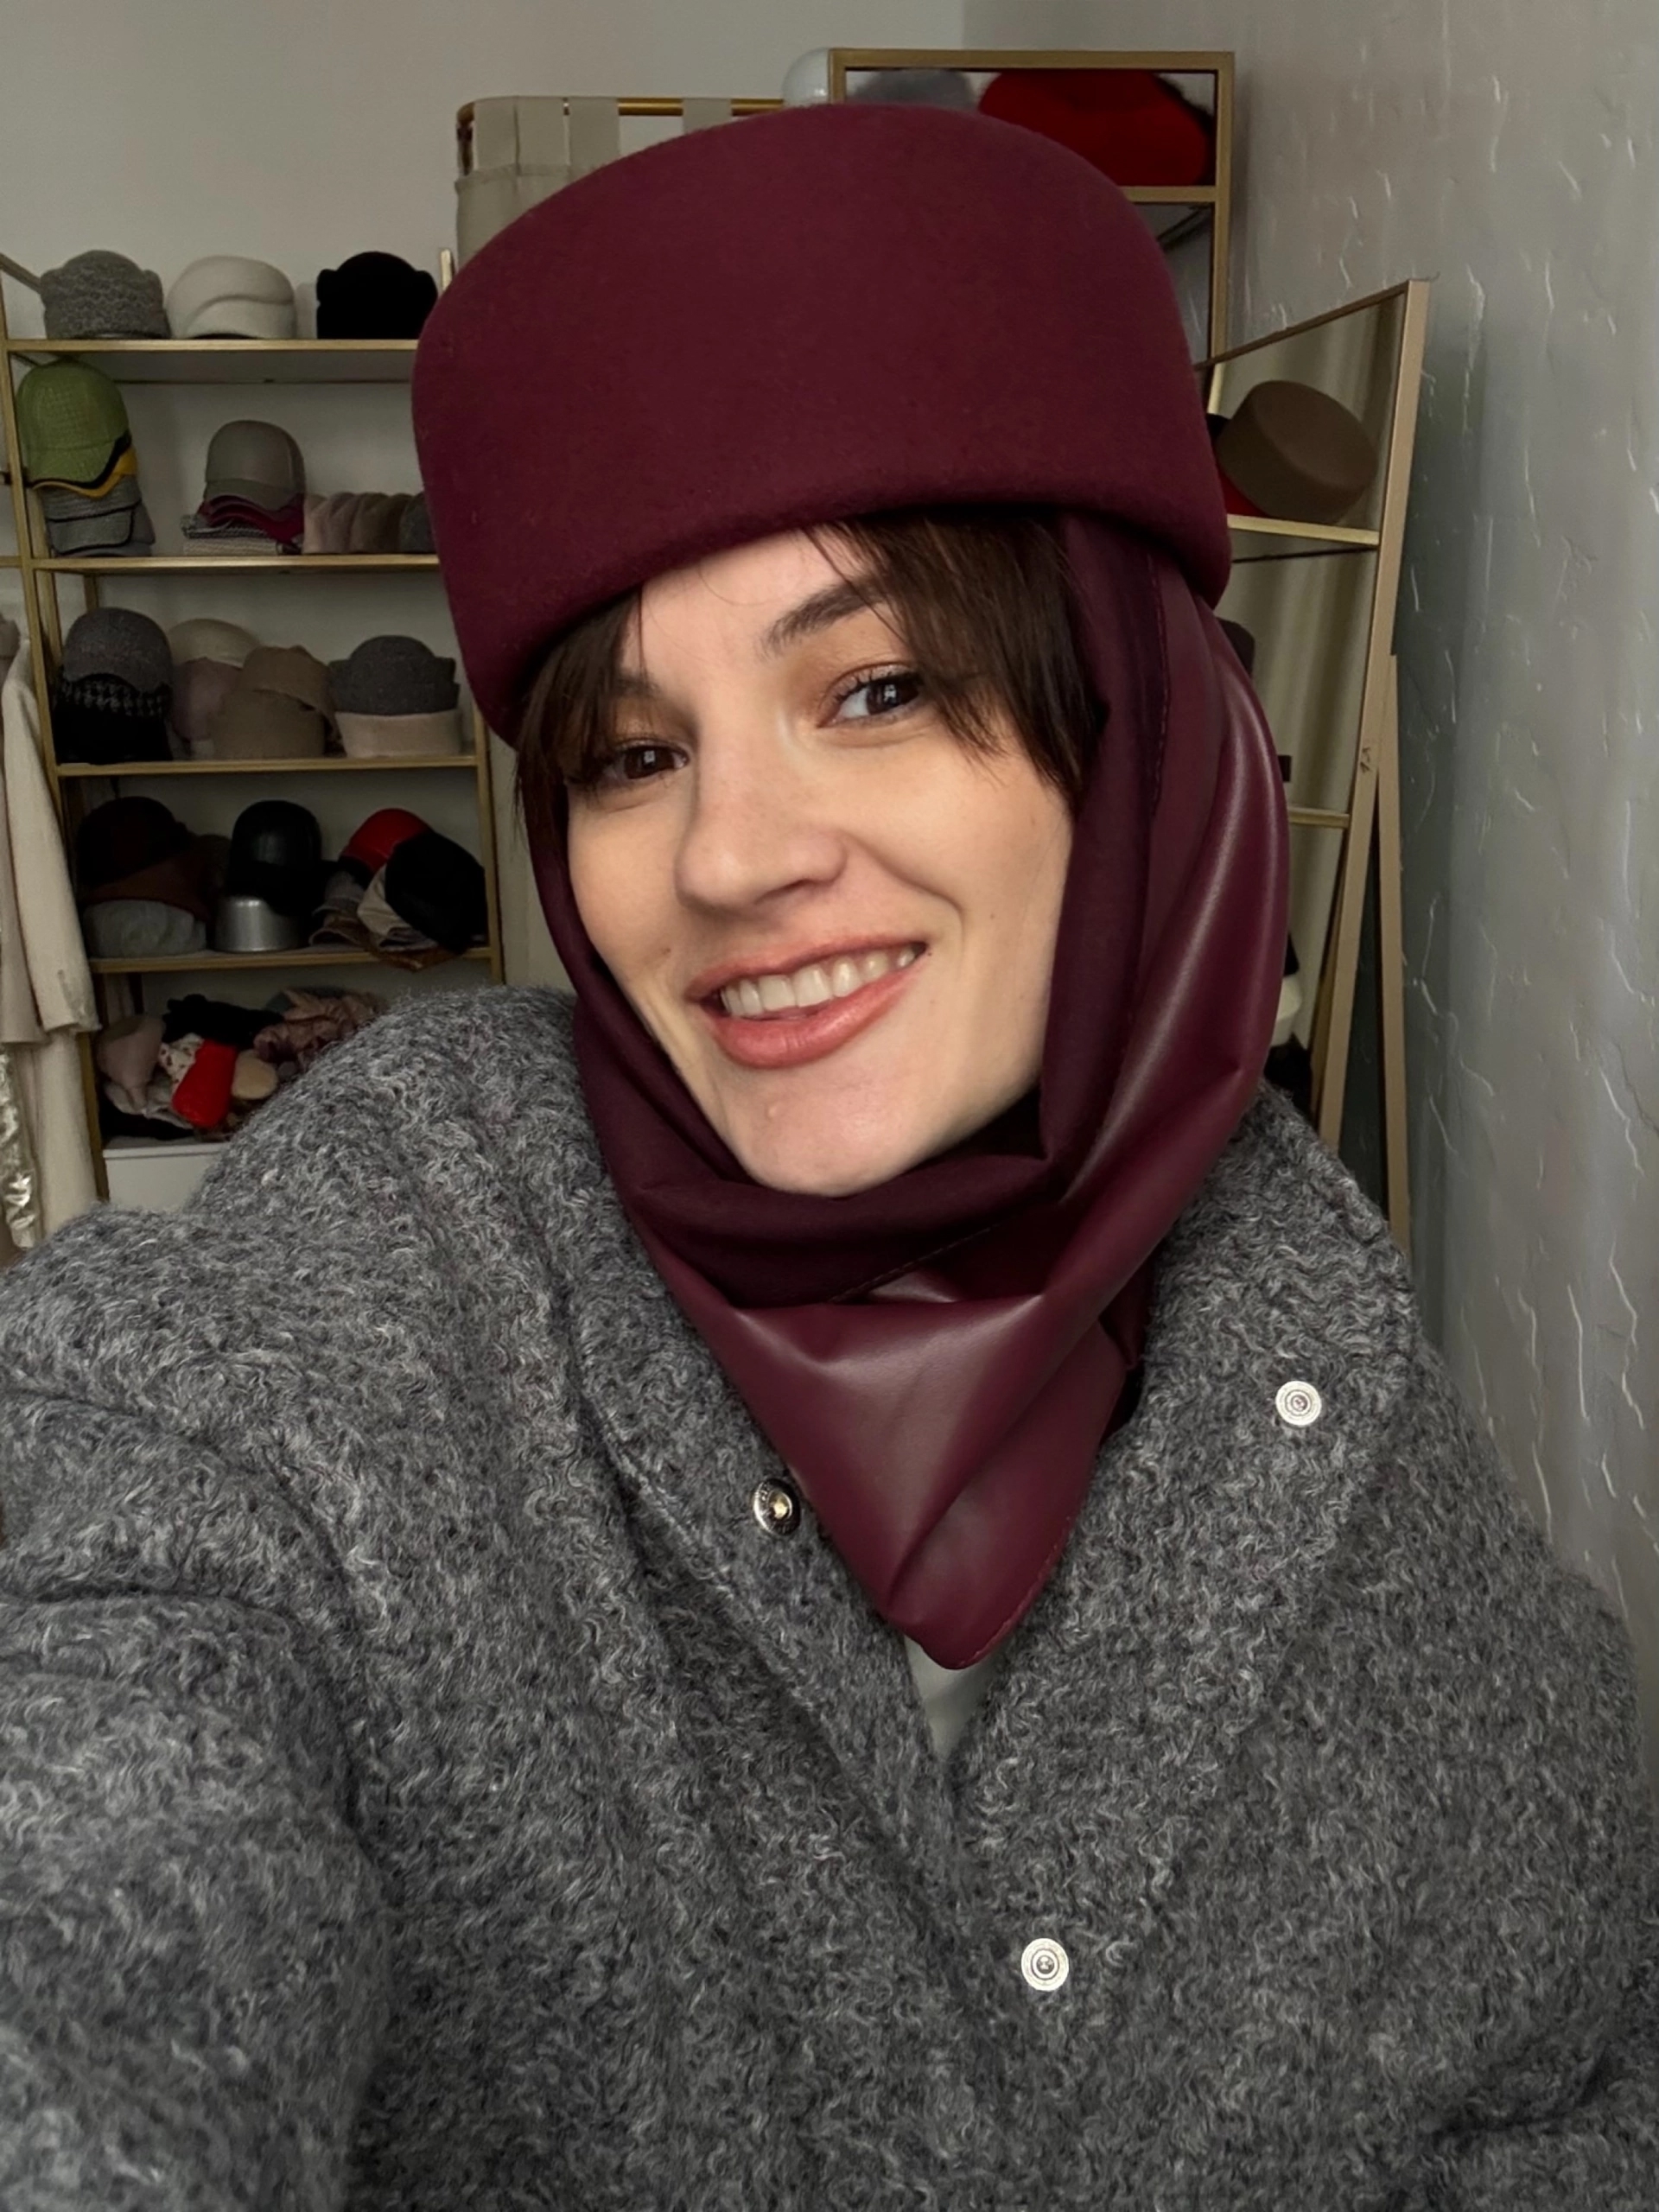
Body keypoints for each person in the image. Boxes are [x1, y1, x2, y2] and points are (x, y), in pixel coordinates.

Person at [1, 103, 1655, 2212]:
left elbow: (1580, 2088)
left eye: (874, 685)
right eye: (633, 750)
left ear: (1135, 730)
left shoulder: (1339, 1397)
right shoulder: (384, 1285)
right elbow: (111, 1705)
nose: (727, 856)